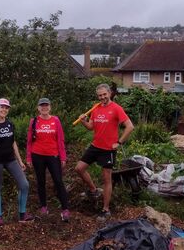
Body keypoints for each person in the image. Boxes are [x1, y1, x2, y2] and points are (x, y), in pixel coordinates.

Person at [75, 83, 134, 222]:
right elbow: (91, 127)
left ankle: (105, 209)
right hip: (95, 146)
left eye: (104, 94)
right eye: (100, 95)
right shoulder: (95, 108)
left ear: (110, 93)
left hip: (108, 149)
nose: (102, 97)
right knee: (79, 168)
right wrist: (83, 121)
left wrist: (119, 142)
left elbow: (130, 127)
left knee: (106, 179)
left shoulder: (116, 109)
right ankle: (94, 191)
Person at [0, 98, 33, 225]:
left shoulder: (10, 124)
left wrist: (20, 161)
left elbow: (13, 143)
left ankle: (22, 214)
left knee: (24, 184)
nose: (4, 109)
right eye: (1, 107)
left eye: (6, 107)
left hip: (10, 159)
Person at [26, 98, 70, 221]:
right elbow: (29, 141)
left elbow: (60, 140)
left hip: (53, 155)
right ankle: (43, 206)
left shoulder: (55, 120)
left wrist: (63, 157)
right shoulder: (34, 121)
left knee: (58, 181)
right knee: (41, 181)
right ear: (38, 108)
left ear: (50, 107)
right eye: (42, 106)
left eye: (46, 105)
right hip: (37, 155)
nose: (44, 108)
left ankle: (65, 209)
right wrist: (28, 157)